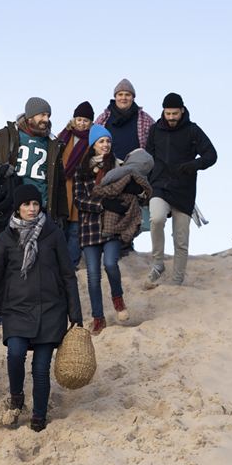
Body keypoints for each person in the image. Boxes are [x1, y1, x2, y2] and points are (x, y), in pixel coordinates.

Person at [0, 184, 82, 432]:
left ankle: (39, 416)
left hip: (50, 311)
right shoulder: (6, 238)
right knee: (15, 354)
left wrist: (75, 315)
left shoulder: (53, 234)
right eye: (27, 205)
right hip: (16, 309)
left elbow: (68, 275)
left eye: (36, 204)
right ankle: (16, 397)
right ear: (18, 207)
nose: (32, 209)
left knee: (40, 368)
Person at [145, 93, 217, 286]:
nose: (171, 117)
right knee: (156, 218)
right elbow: (148, 156)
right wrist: (152, 177)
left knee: (181, 239)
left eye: (174, 113)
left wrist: (192, 165)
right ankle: (158, 263)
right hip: (159, 186)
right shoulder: (154, 130)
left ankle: (177, 281)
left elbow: (212, 155)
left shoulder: (193, 131)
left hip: (184, 190)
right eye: (167, 113)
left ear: (182, 111)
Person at [0, 96, 68, 230]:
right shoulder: (6, 135)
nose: (46, 119)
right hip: (9, 207)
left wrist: (62, 215)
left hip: (41, 211)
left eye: (48, 115)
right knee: (5, 250)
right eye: (42, 115)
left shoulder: (54, 144)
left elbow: (60, 183)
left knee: (41, 251)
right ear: (30, 116)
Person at [73, 124, 130, 335]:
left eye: (108, 141)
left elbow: (126, 193)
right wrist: (101, 205)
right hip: (89, 229)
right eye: (101, 141)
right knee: (93, 276)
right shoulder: (82, 170)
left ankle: (118, 298)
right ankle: (98, 318)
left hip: (111, 225)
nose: (105, 145)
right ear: (93, 145)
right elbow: (79, 200)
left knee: (111, 264)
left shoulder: (117, 166)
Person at [57, 100, 94, 268]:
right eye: (79, 119)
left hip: (80, 189)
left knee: (75, 229)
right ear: (74, 119)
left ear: (90, 123)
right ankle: (58, 262)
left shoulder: (92, 140)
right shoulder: (64, 135)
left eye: (85, 120)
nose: (81, 123)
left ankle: (71, 264)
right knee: (60, 227)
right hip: (62, 188)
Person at [95, 78, 155, 160]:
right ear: (115, 97)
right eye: (120, 94)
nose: (123, 98)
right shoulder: (103, 118)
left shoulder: (145, 119)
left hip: (136, 168)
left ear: (133, 98)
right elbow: (92, 142)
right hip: (108, 167)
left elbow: (155, 143)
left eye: (127, 95)